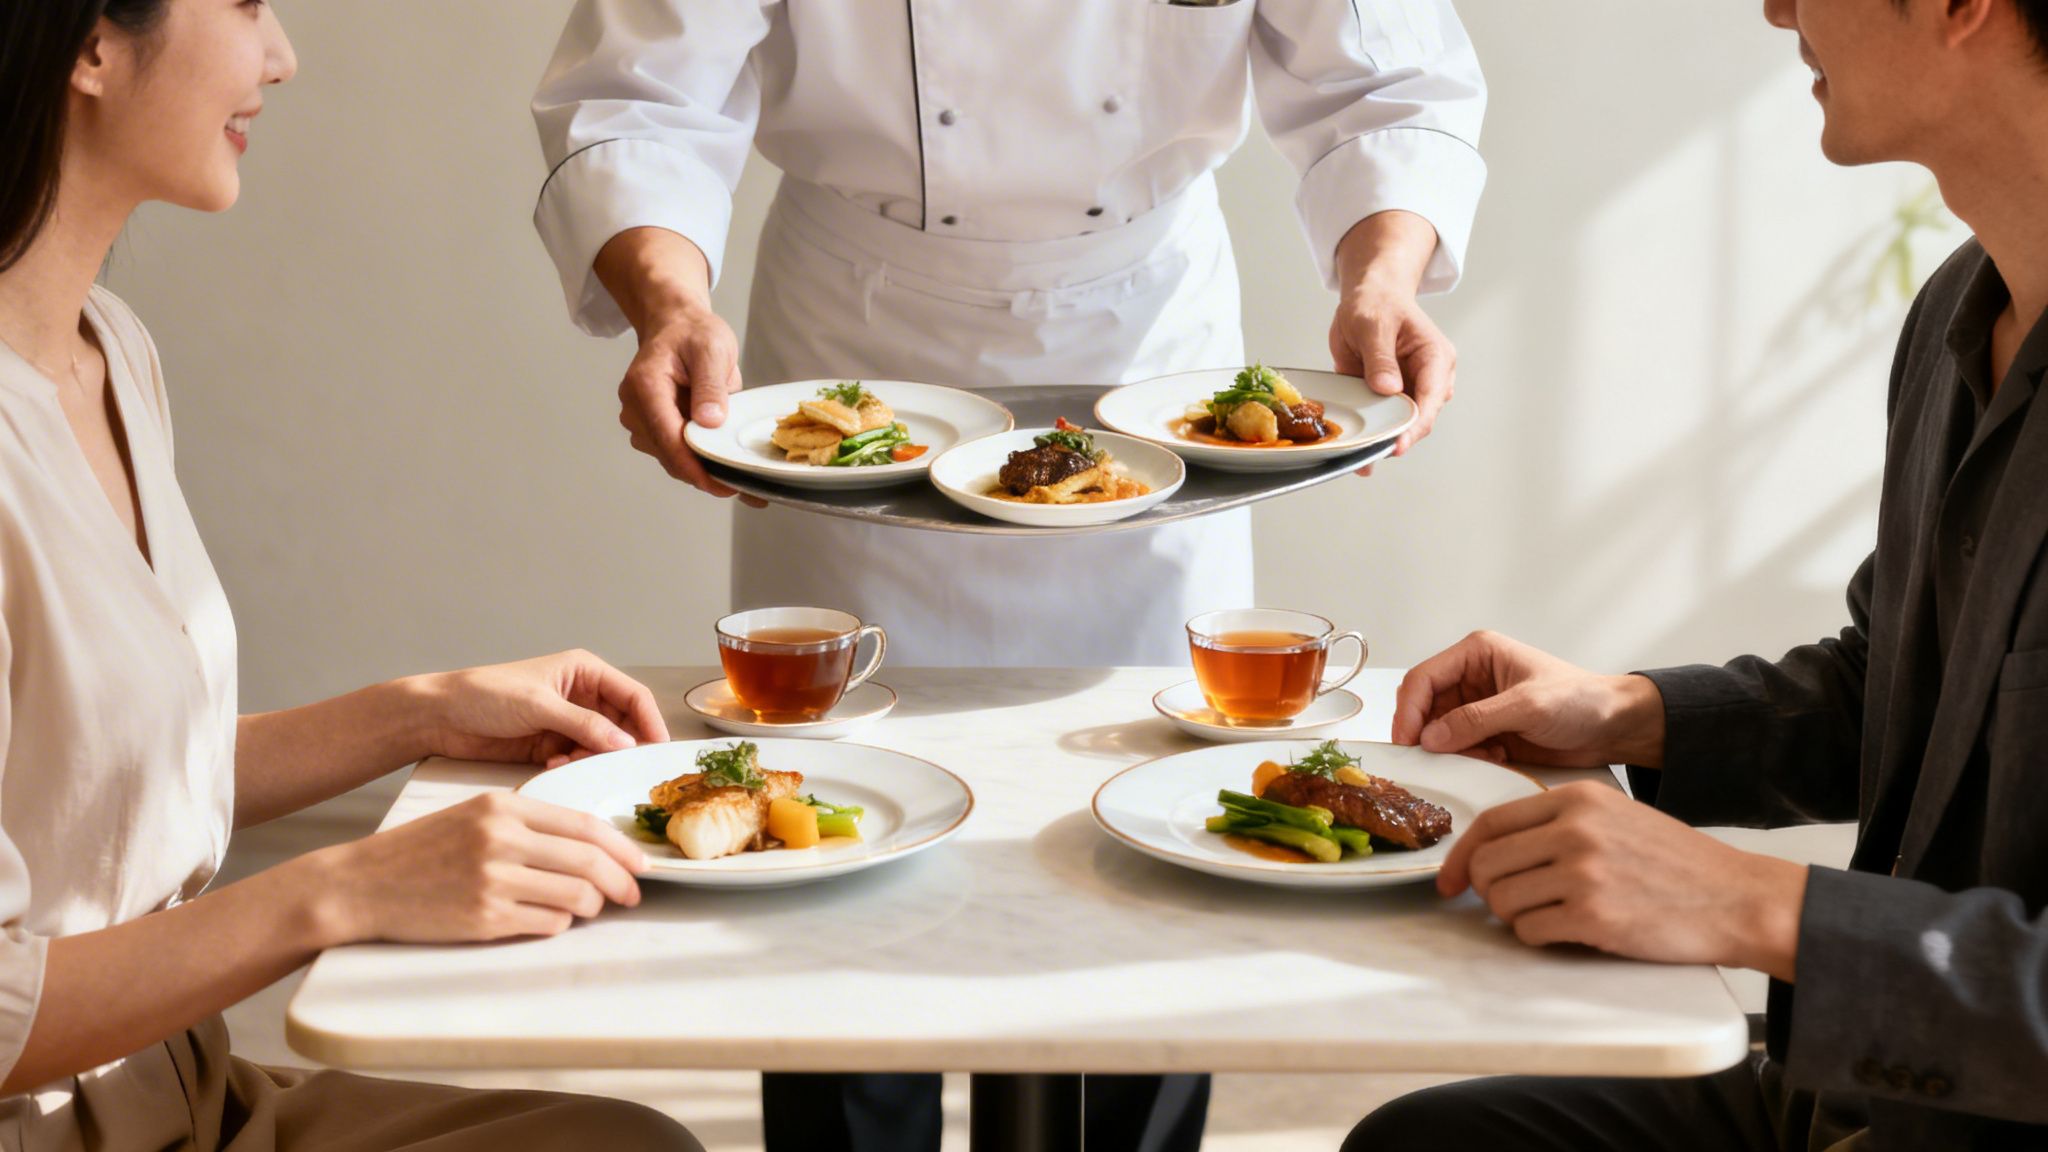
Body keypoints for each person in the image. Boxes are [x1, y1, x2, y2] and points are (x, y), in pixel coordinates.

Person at [529, 2, 1486, 1146]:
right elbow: (642, 93)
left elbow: (1386, 81)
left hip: (1147, 341)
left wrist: (1381, 278)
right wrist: (671, 303)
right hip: (860, 336)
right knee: (833, 821)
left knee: (1159, 810)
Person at [1346, 0, 2048, 1148]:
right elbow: (1907, 691)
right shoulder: (1956, 317)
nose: (1773, 8)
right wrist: (1625, 714)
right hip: (1853, 1096)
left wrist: (1744, 905)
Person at [0, 2, 703, 1147]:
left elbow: (87, 789)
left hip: (187, 1095)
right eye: (243, 5)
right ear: (87, 43)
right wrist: (344, 889)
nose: (280, 55)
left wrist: (420, 712)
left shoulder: (110, 350)